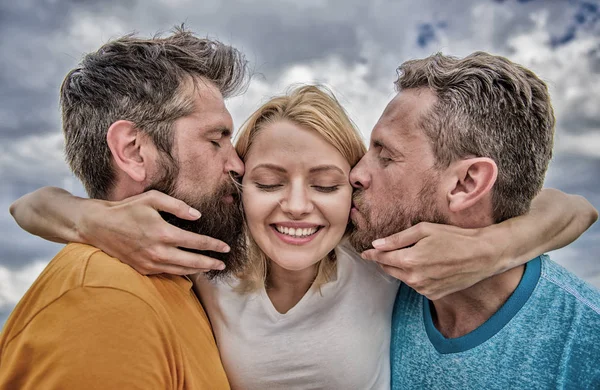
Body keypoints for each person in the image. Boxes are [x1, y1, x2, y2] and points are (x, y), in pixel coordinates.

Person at [8, 77, 597, 390]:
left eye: (326, 183)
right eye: (268, 182)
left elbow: (571, 207)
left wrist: (488, 247)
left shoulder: (371, 252)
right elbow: (29, 205)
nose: (297, 207)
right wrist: (89, 216)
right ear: (238, 187)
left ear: (353, 191)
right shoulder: (215, 255)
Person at [0, 28, 250, 389]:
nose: (238, 164)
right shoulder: (105, 301)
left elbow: (28, 207)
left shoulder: (174, 282)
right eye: (215, 140)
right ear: (133, 151)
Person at [349, 52, 600, 388]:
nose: (356, 173)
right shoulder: (377, 281)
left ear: (467, 183)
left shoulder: (585, 343)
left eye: (386, 156)